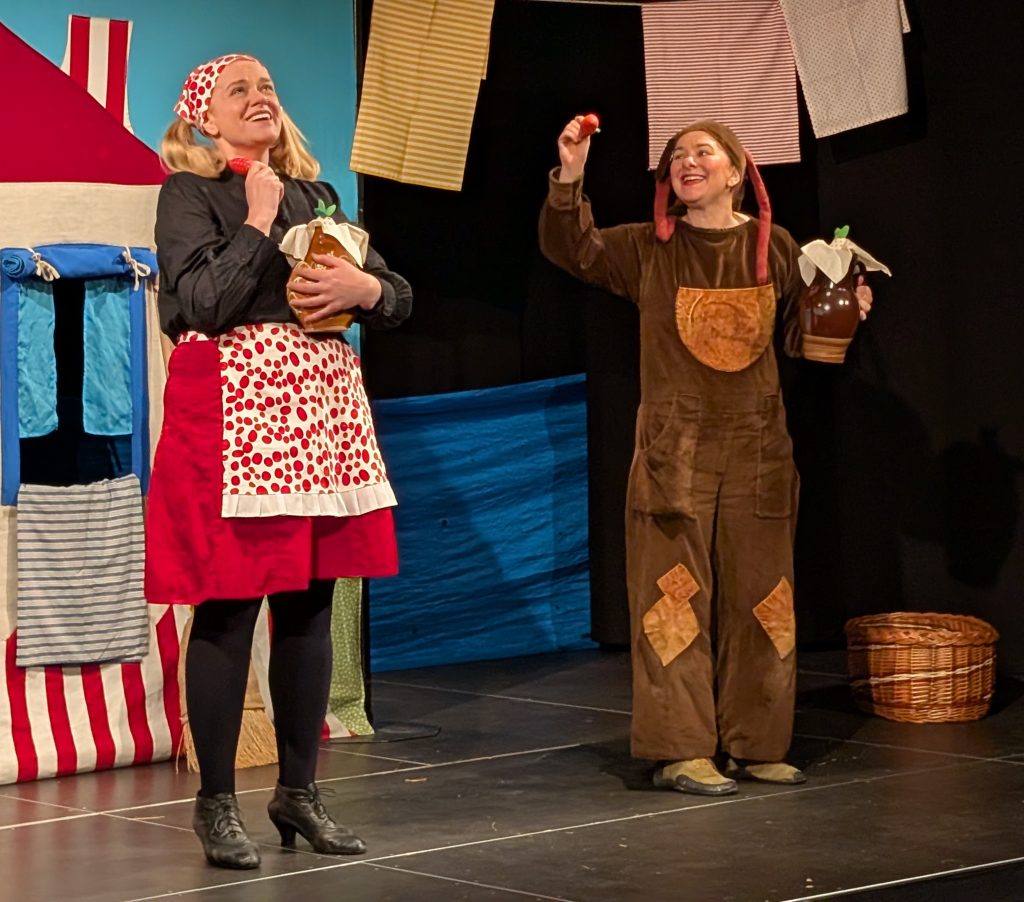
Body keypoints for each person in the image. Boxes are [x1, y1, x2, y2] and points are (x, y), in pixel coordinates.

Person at [539, 118, 872, 796]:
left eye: (703, 152)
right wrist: (570, 175)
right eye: (676, 156)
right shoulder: (648, 248)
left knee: (765, 602)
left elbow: (799, 340)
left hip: (758, 452)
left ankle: (757, 744)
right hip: (675, 454)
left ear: (736, 170)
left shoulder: (776, 245)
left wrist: (842, 309)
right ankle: (681, 749)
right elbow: (573, 248)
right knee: (672, 601)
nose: (687, 162)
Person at [146, 53, 412, 869]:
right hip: (235, 418)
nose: (260, 97)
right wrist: (258, 223)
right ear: (205, 118)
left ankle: (299, 790)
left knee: (309, 603)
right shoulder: (190, 194)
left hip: (317, 413)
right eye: (240, 91)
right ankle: (216, 803)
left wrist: (368, 293)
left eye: (267, 87)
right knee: (228, 605)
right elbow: (202, 303)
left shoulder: (317, 196)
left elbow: (394, 294)